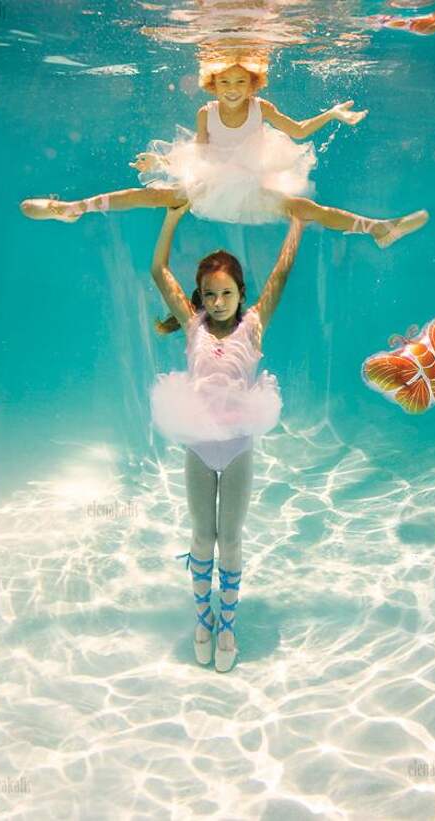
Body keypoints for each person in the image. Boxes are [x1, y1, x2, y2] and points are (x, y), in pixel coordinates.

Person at [20, 53, 428, 248]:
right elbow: (199, 153)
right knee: (154, 195)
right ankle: (73, 208)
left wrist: (333, 114)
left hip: (253, 183)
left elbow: (300, 132)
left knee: (304, 210)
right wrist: (161, 161)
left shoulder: (261, 108)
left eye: (241, 83)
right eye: (226, 83)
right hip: (212, 181)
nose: (234, 91)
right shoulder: (206, 113)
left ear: (254, 85)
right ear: (213, 85)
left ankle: (377, 228)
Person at [149, 203, 304, 672]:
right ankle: (203, 619)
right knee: (202, 535)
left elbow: (283, 269)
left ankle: (229, 624)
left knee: (230, 538)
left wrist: (297, 218)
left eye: (226, 293)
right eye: (209, 294)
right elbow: (157, 270)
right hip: (199, 445)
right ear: (199, 296)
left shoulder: (253, 326)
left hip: (236, 447)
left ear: (241, 293)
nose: (217, 302)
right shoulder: (193, 325)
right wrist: (171, 218)